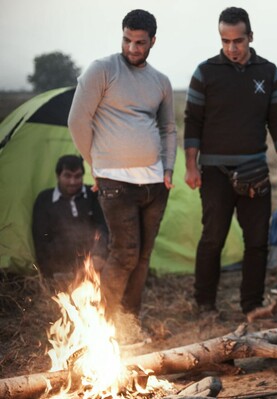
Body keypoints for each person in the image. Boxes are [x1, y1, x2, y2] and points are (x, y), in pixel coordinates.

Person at [183, 7, 277, 316]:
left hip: (255, 170)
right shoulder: (205, 72)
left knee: (258, 241)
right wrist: (191, 166)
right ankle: (204, 304)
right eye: (225, 40)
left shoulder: (268, 72)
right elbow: (192, 122)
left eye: (238, 41)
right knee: (212, 238)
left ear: (250, 37)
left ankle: (251, 304)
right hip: (214, 170)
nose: (232, 48)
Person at [68, 9, 177, 320]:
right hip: (115, 182)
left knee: (142, 256)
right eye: (127, 40)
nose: (132, 48)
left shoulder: (161, 81)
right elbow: (77, 120)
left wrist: (168, 168)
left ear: (153, 41)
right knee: (125, 253)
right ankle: (104, 323)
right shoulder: (102, 70)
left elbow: (169, 128)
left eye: (140, 42)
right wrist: (95, 164)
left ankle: (129, 322)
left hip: (155, 183)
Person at [32, 155, 107, 278]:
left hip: (92, 265)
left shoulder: (92, 195)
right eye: (67, 176)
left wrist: (100, 254)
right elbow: (41, 240)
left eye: (77, 176)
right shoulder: (45, 200)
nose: (73, 182)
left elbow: (103, 226)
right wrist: (49, 271)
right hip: (60, 268)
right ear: (58, 176)